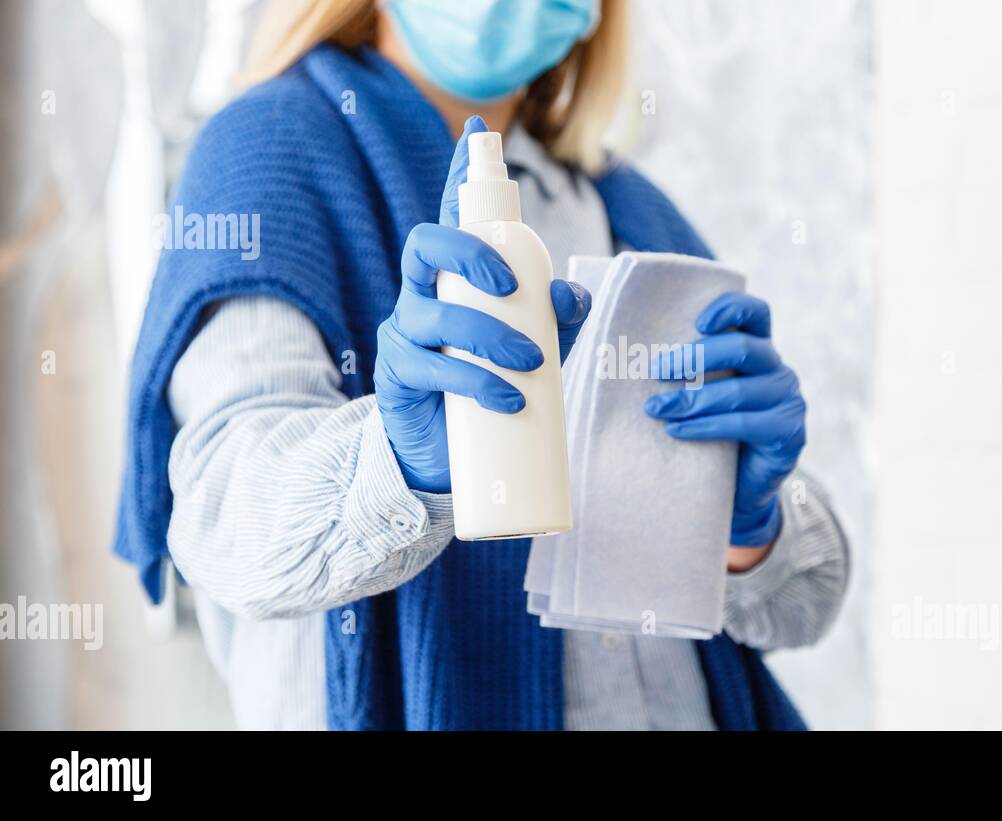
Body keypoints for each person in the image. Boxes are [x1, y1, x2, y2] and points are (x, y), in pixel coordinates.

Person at [115, 0, 849, 730]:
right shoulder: (267, 148)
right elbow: (220, 524)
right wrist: (395, 463)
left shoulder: (624, 203)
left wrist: (751, 527)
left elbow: (801, 611)